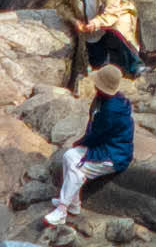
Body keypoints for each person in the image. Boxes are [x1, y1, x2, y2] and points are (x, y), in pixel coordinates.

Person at [43, 61, 135, 227]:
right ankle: (73, 203)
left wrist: (81, 142)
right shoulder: (109, 100)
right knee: (68, 155)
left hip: (114, 154)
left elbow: (97, 135)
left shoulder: (111, 109)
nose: (95, 86)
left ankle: (62, 210)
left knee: (76, 166)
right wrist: (82, 143)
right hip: (107, 145)